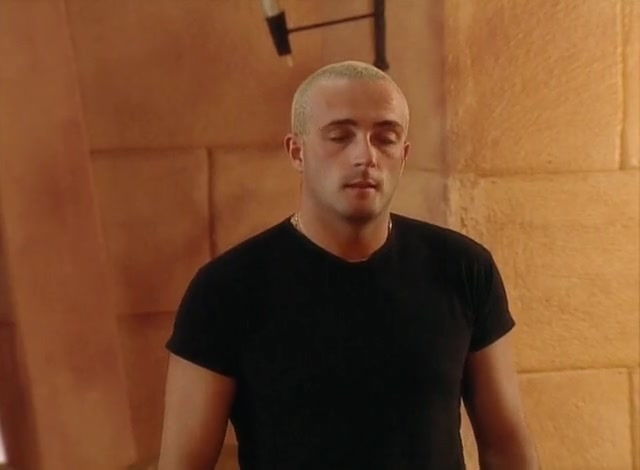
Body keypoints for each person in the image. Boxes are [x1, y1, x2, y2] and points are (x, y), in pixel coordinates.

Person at [158, 60, 539, 469]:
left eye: (385, 138)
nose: (365, 156)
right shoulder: (227, 290)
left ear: (404, 155)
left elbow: (506, 446)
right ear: (297, 151)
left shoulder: (463, 268)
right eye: (340, 137)